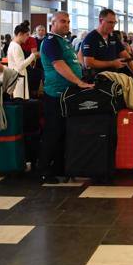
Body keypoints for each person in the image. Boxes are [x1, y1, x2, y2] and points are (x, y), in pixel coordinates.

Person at [39, 11, 93, 183]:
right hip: (55, 94)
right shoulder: (50, 41)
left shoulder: (64, 41)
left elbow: (73, 62)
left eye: (68, 21)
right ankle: (45, 170)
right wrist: (79, 82)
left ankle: (59, 167)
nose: (66, 24)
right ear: (52, 23)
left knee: (63, 132)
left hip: (67, 94)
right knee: (53, 132)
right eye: (62, 21)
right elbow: (59, 65)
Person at [82, 9, 133, 76]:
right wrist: (112, 63)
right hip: (97, 79)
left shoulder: (113, 36)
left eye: (114, 22)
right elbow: (89, 63)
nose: (113, 25)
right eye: (110, 22)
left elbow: (126, 56)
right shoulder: (91, 38)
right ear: (101, 21)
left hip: (113, 77)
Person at [7, 24, 38, 99]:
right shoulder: (16, 47)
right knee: (19, 101)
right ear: (20, 34)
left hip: (15, 76)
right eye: (27, 35)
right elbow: (20, 66)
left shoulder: (13, 44)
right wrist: (33, 55)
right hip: (18, 77)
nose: (28, 38)